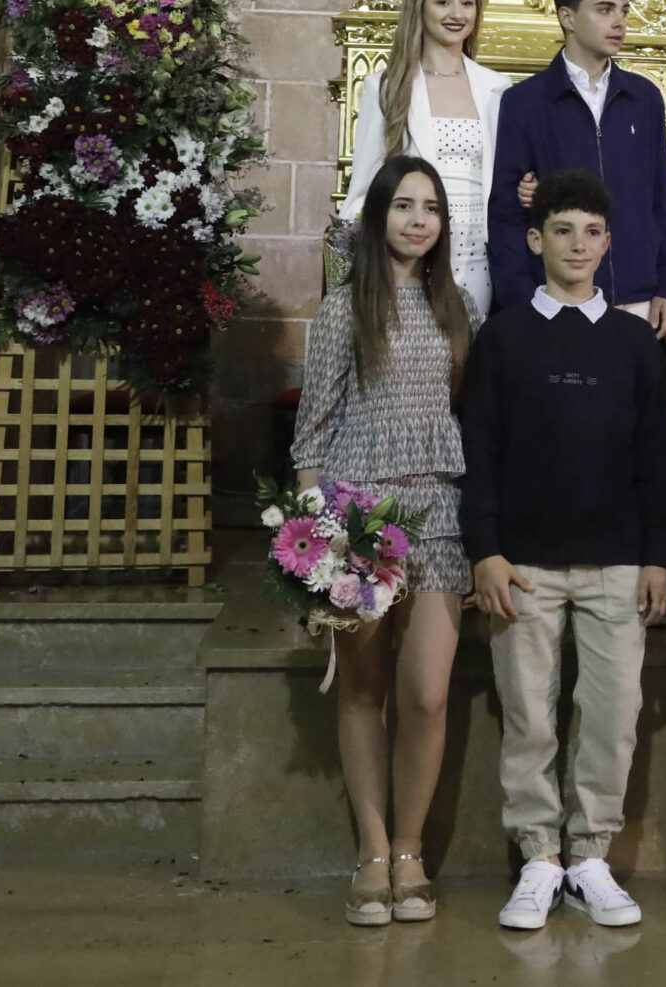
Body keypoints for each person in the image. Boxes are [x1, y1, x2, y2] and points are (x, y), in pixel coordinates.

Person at [459, 169, 666, 928]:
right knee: (529, 716)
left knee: (612, 714)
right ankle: (539, 857)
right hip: (524, 563)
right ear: (535, 239)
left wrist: (659, 555)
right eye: (562, 230)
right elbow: (479, 449)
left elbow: (657, 453)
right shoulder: (505, 335)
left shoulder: (631, 341)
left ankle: (590, 854)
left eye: (591, 231)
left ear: (608, 242)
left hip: (618, 560)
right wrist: (484, 549)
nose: (577, 244)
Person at [292, 157, 478, 926]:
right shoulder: (344, 308)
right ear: (379, 216)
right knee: (364, 686)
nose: (417, 219)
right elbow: (313, 429)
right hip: (360, 512)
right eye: (403, 205)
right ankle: (372, 851)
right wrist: (319, 538)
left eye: (430, 207)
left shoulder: (456, 305)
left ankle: (411, 848)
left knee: (428, 691)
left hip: (439, 506)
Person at [486, 0, 666, 339]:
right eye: (604, 9)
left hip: (636, 297)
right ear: (567, 17)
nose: (620, 22)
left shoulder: (644, 98)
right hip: (554, 298)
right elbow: (506, 213)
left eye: (624, 10)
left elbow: (661, 201)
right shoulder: (524, 101)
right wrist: (521, 299)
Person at [338, 0, 512, 319]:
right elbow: (367, 180)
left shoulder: (497, 88)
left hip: (479, 247)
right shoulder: (387, 86)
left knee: (467, 358)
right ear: (420, 6)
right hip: (414, 245)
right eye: (443, 2)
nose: (456, 14)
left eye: (467, 2)